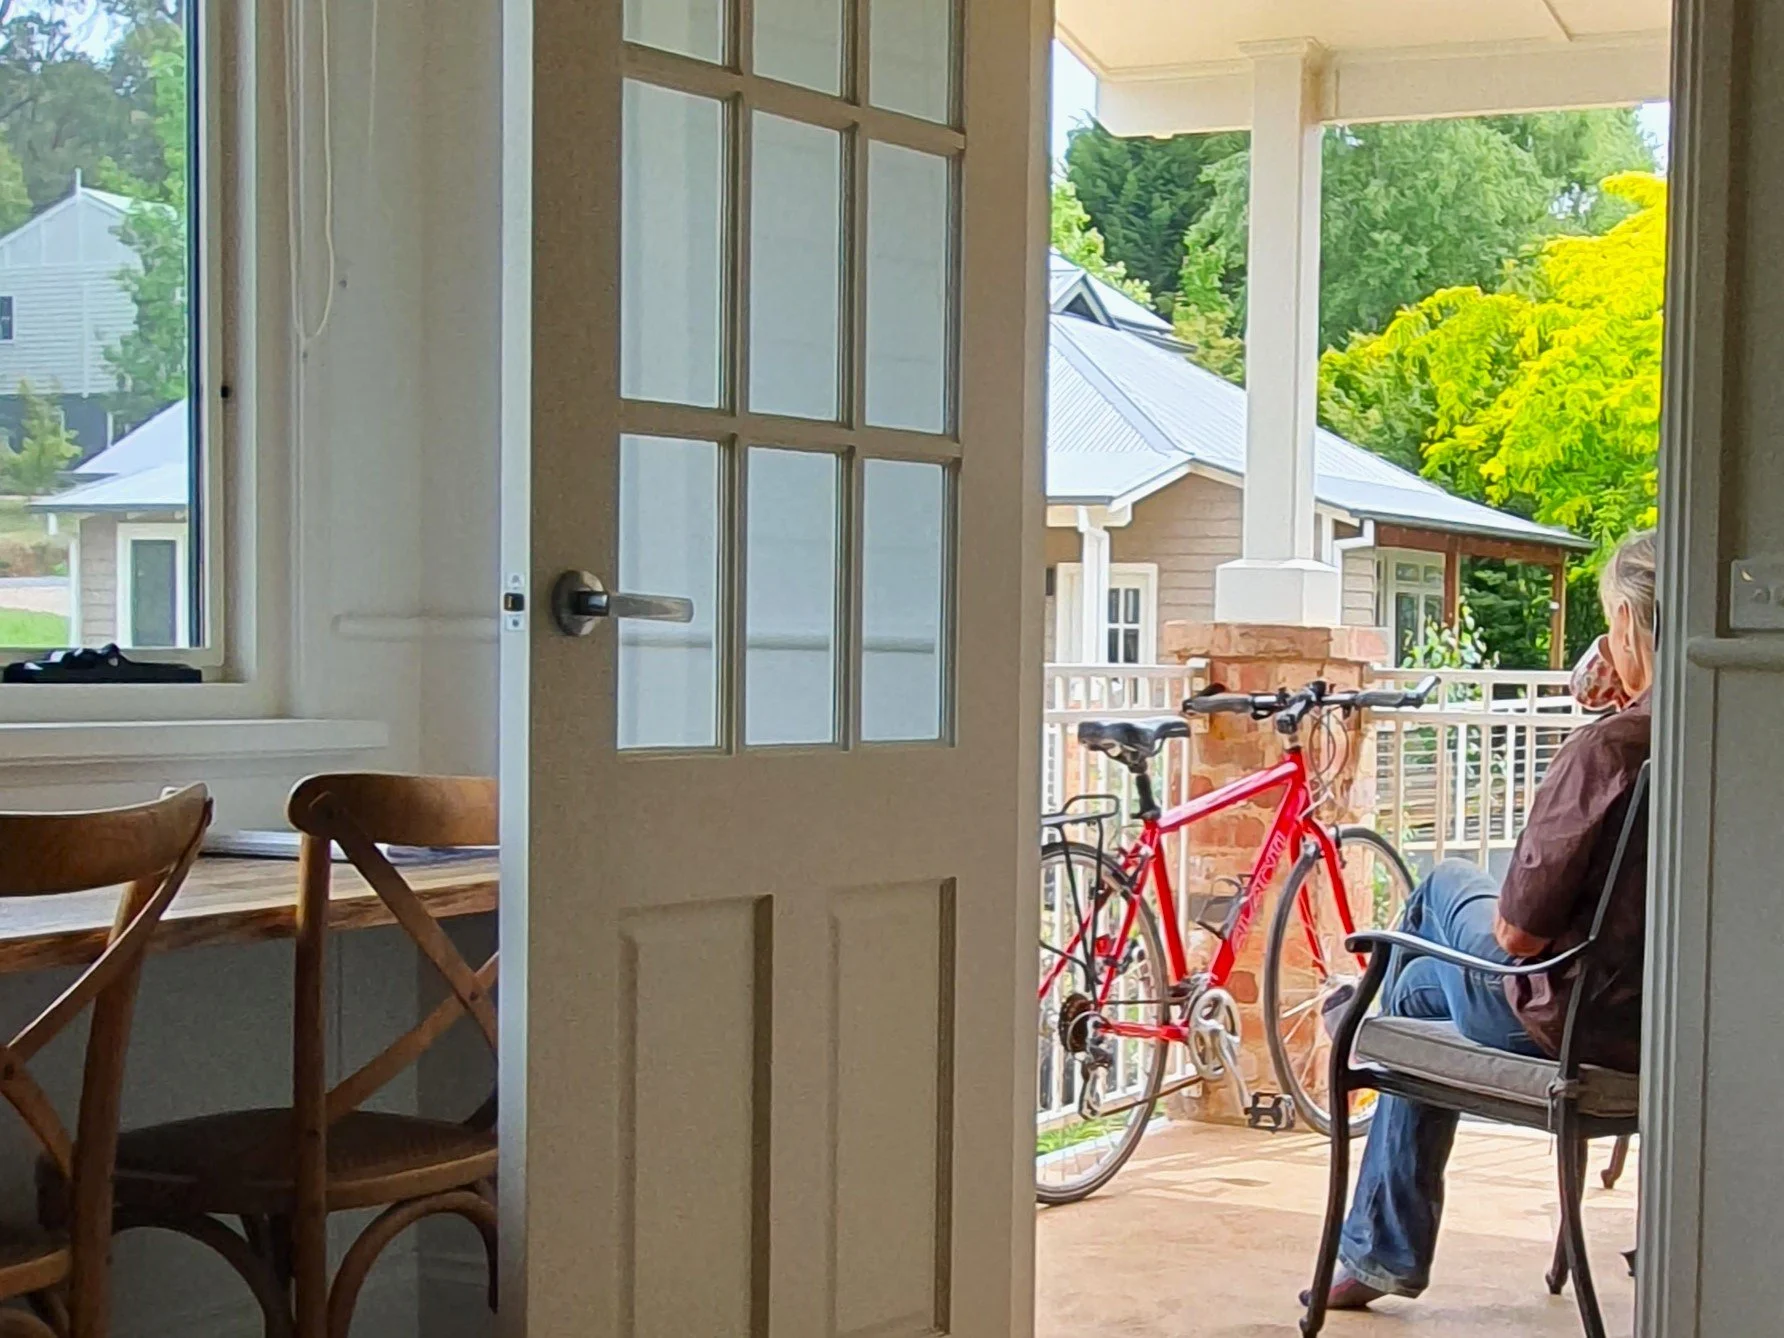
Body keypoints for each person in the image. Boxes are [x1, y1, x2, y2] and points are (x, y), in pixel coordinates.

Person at [1310, 528, 1656, 1309]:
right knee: (1418, 983)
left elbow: (1516, 937)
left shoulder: (1607, 751)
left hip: (1559, 1019)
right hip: (1660, 1026)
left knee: (1442, 889)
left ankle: (1361, 1033)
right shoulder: (1718, 739)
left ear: (1626, 626)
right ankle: (1374, 1021)